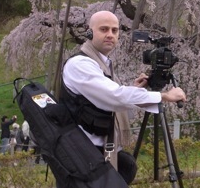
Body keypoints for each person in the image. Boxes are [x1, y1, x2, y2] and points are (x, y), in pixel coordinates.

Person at [61, 10, 186, 185]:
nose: (110, 35)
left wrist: (134, 90)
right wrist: (164, 96)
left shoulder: (102, 63)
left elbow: (108, 97)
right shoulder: (80, 64)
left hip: (97, 149)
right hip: (83, 151)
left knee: (126, 166)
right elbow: (115, 96)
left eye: (114, 30)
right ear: (89, 32)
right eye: (103, 29)